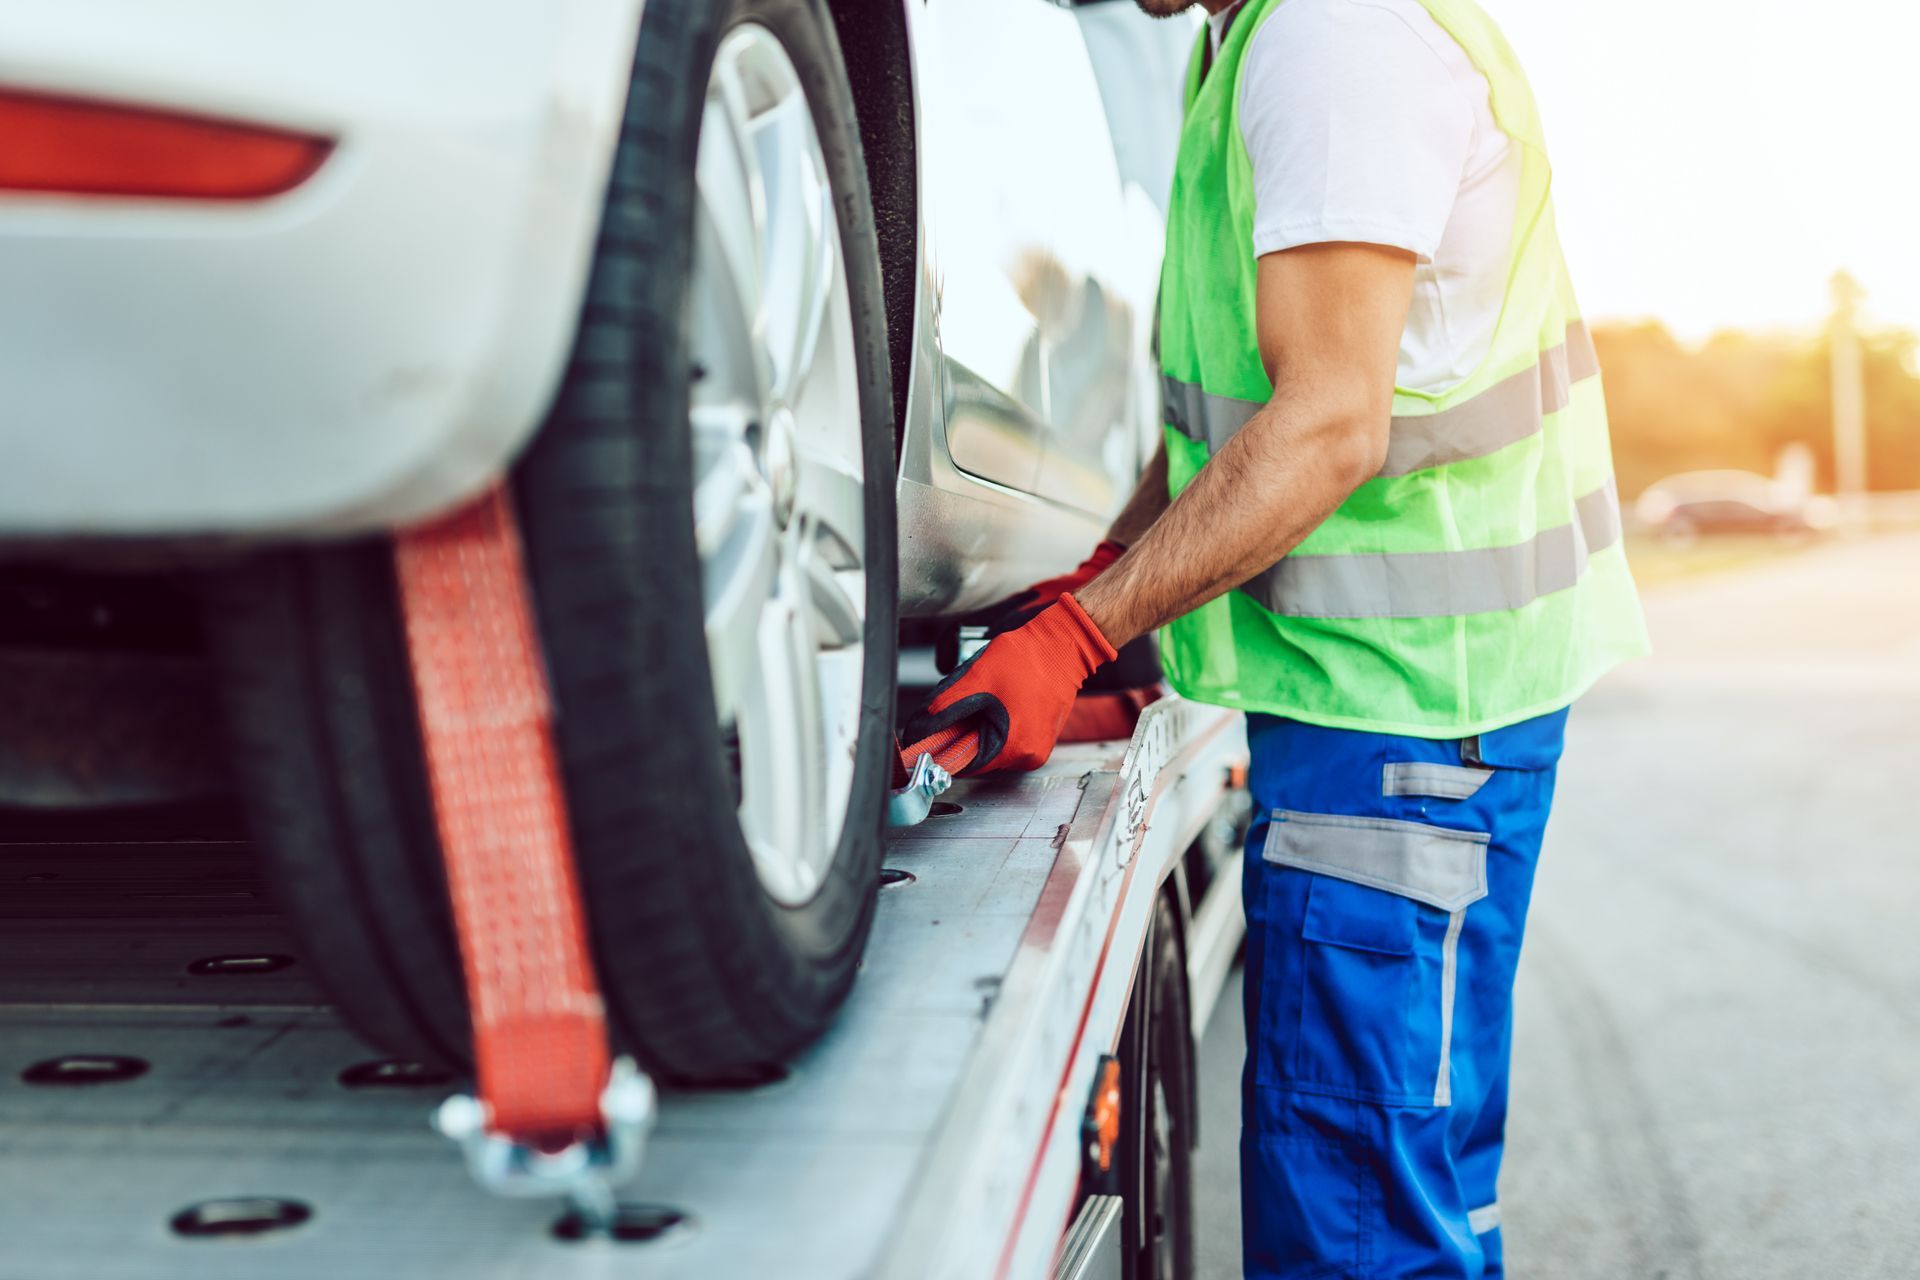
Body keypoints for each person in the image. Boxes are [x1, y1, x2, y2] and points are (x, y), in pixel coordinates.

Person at [902, 0, 1650, 1274]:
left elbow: (1328, 425)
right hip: (1424, 727)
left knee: (1356, 1234)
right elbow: (1238, 421)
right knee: (1417, 1202)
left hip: (1400, 740)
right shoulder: (1268, 34)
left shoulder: (1331, 39)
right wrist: (1105, 580)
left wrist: (1089, 630)